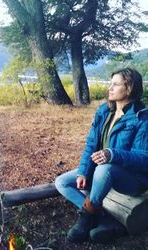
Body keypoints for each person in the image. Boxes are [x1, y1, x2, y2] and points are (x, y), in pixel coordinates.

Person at [55, 67, 148, 243]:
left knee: (104, 168)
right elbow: (91, 145)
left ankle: (86, 217)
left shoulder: (142, 118)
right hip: (102, 172)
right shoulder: (104, 111)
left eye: (115, 84)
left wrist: (112, 154)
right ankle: (104, 219)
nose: (110, 88)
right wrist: (83, 171)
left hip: (132, 180)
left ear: (129, 88)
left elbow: (144, 158)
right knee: (62, 182)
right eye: (110, 83)